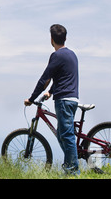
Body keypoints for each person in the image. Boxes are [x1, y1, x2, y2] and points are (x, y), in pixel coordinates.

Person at [24, 24, 80, 175]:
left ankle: (72, 171)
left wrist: (31, 98)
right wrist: (51, 92)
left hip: (63, 101)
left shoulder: (56, 55)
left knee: (66, 135)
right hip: (73, 98)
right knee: (63, 134)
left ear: (51, 39)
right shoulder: (72, 54)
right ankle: (70, 164)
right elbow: (64, 78)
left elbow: (45, 79)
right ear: (65, 38)